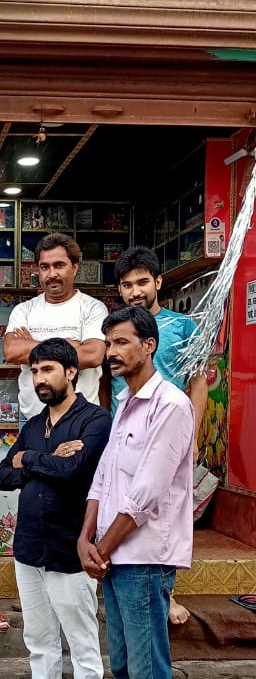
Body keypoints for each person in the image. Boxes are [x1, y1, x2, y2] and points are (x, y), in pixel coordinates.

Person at [78, 305, 195, 679]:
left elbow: (146, 493)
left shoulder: (170, 406)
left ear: (149, 346)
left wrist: (101, 548)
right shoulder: (125, 402)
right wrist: (85, 536)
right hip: (113, 556)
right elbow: (104, 478)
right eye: (109, 343)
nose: (112, 352)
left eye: (122, 342)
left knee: (149, 677)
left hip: (143, 559)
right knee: (124, 668)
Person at [0, 338, 111, 679]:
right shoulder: (32, 425)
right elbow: (2, 476)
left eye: (47, 370)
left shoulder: (95, 420)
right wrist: (40, 457)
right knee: (39, 643)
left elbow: (74, 471)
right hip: (29, 548)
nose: (39, 379)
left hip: (69, 549)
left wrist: (28, 460)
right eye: (34, 372)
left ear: (71, 372)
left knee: (82, 646)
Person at [106, 245, 208, 627]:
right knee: (123, 506)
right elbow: (107, 384)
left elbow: (198, 383)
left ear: (158, 282)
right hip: (125, 429)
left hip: (167, 431)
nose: (135, 291)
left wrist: (192, 435)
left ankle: (166, 593)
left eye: (142, 282)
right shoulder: (118, 332)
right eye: (127, 284)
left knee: (163, 511)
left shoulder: (183, 327)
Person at [3, 232, 108, 419]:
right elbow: (12, 351)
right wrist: (72, 346)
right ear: (38, 271)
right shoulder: (23, 310)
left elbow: (93, 355)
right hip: (32, 419)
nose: (52, 274)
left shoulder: (93, 308)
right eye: (45, 267)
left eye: (59, 265)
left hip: (81, 420)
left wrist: (32, 345)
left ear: (74, 268)